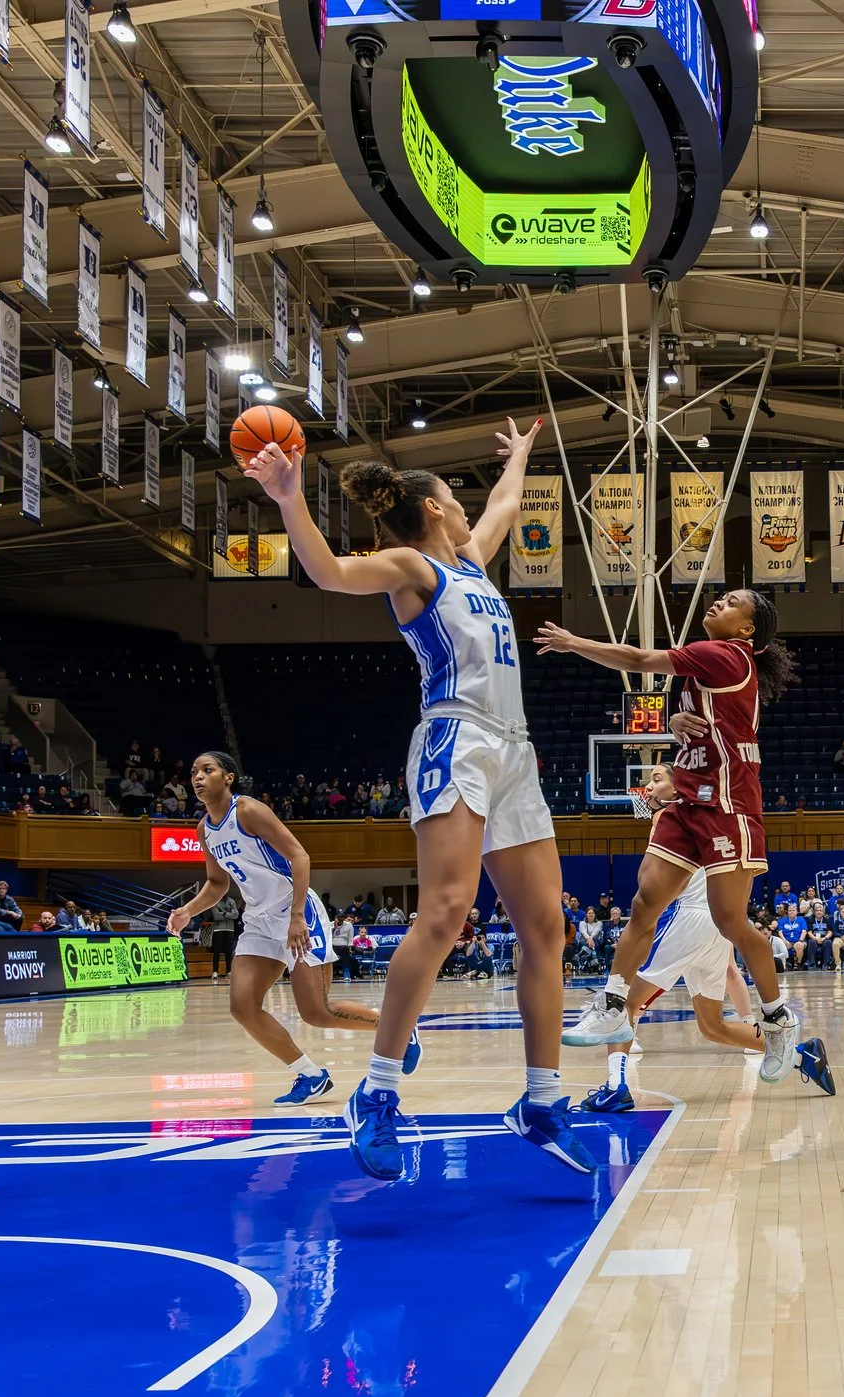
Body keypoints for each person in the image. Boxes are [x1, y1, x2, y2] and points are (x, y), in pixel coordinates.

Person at [248, 420, 599, 1177]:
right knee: (445, 913)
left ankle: (540, 1101)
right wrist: (288, 498)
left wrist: (525, 459)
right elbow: (330, 571)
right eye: (457, 499)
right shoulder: (411, 565)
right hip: (457, 739)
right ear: (435, 508)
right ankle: (375, 1094)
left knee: (546, 930)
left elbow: (505, 505)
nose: (471, 507)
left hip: (513, 749)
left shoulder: (470, 560)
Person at [544, 590, 807, 1082]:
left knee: (731, 920)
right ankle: (613, 1003)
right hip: (688, 796)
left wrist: (572, 643)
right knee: (645, 903)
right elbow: (703, 725)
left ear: (746, 630)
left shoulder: (726, 654)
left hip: (728, 802)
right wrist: (671, 720)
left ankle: (776, 1020)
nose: (717, 604)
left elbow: (641, 658)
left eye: (731, 603)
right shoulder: (703, 669)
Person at [577, 767, 833, 1110]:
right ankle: (803, 1056)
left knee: (622, 1003)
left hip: (684, 918)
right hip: (716, 926)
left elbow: (657, 892)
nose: (649, 787)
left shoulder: (670, 816)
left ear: (679, 784)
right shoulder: (714, 815)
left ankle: (615, 1086)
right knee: (713, 1026)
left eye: (657, 779)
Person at [165, 753, 382, 1104]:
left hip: (295, 910)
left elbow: (300, 856)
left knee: (317, 1013)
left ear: (229, 777)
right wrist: (187, 911)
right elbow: (217, 883)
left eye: (208, 770)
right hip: (258, 920)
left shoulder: (247, 811)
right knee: (242, 1007)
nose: (198, 777)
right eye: (193, 772)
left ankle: (394, 1028)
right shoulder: (205, 829)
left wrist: (297, 916)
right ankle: (309, 1075)